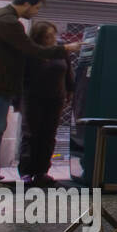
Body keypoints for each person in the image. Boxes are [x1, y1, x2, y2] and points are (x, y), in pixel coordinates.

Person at [0, 0, 79, 164]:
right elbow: (32, 50)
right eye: (36, 8)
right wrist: (66, 49)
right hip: (6, 87)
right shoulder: (8, 22)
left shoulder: (4, 17)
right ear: (26, 4)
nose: (36, 12)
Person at [16, 20, 75, 185]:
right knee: (31, 134)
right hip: (33, 97)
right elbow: (22, 75)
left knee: (49, 135)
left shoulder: (60, 49)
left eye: (52, 35)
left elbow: (68, 70)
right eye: (47, 37)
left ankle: (42, 171)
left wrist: (70, 89)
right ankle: (26, 171)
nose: (51, 39)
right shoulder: (31, 51)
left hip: (56, 98)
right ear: (38, 38)